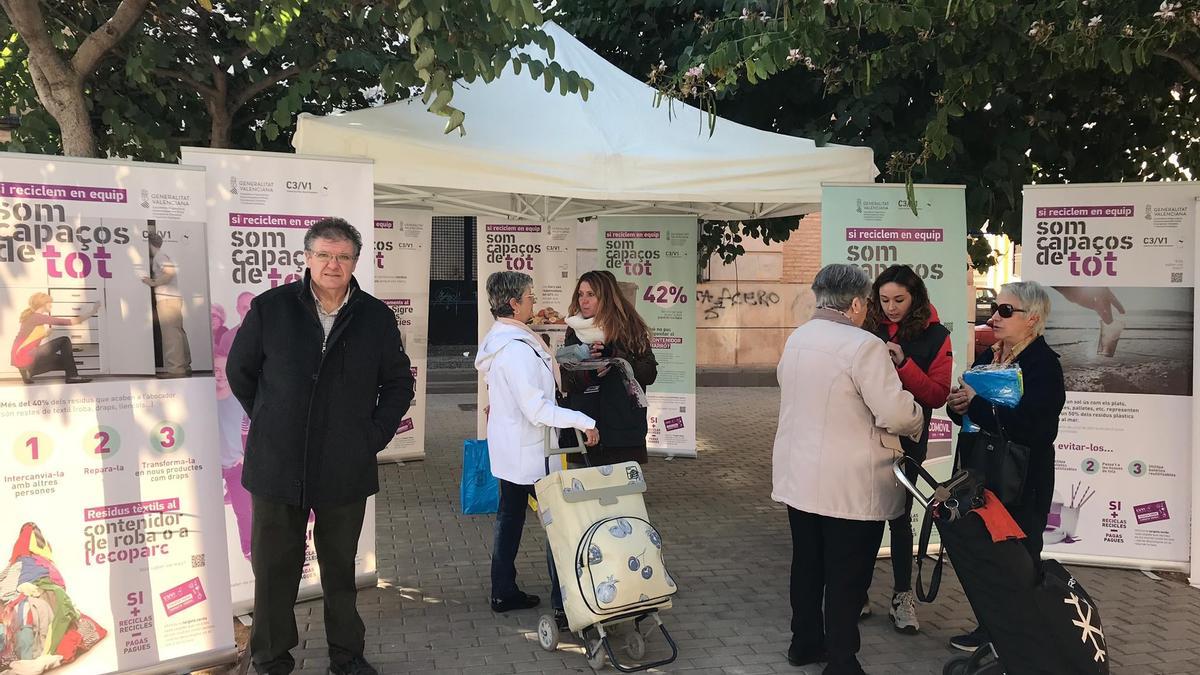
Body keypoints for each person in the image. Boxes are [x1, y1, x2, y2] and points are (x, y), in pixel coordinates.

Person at [227, 218, 415, 675]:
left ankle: (347, 656)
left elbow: (397, 383)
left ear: (355, 262)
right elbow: (240, 371)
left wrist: (371, 437)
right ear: (307, 258)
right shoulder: (273, 308)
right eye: (325, 255)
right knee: (274, 573)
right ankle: (270, 659)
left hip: (344, 466)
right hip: (277, 464)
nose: (334, 264)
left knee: (339, 572)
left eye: (344, 256)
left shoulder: (374, 316)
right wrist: (273, 418)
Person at [773, 264, 924, 675]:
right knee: (847, 573)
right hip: (851, 482)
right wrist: (916, 416)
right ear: (857, 303)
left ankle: (804, 643)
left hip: (800, 476)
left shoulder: (798, 339)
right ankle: (841, 661)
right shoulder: (864, 346)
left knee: (808, 564)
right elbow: (894, 412)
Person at [475, 271, 599, 629]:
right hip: (532, 453)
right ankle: (565, 606)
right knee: (559, 527)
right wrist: (583, 420)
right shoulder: (515, 349)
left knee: (510, 518)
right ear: (513, 303)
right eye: (529, 296)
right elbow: (537, 408)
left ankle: (503, 591)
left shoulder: (504, 341)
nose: (534, 300)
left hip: (515, 450)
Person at [946, 280, 1065, 653]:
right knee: (987, 554)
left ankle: (1025, 636)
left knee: (1020, 556)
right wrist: (958, 405)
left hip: (1023, 478)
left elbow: (1038, 428)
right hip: (984, 471)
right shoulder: (990, 357)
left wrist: (978, 405)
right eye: (995, 309)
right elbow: (968, 412)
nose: (995, 316)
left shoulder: (1042, 364)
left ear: (1032, 319)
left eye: (1005, 311)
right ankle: (992, 630)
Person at [861, 265, 952, 634]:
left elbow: (937, 394)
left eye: (899, 300)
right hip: (864, 435)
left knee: (898, 518)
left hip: (909, 441)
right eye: (883, 300)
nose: (891, 307)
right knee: (863, 515)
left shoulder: (936, 335)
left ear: (915, 297)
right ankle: (858, 592)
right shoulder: (868, 327)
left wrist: (904, 364)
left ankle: (902, 597)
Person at [560, 270, 658, 465]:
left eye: (591, 295)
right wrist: (591, 373)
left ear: (606, 297)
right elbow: (566, 380)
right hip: (586, 429)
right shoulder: (575, 328)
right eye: (580, 294)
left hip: (623, 430)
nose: (583, 301)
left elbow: (649, 374)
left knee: (623, 493)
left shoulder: (630, 329)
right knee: (586, 492)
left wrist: (616, 355)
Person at [10, 292, 97, 384]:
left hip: (21, 357)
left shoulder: (30, 317)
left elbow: (25, 338)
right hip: (25, 356)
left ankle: (29, 373)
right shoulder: (38, 317)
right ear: (43, 304)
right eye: (49, 302)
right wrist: (92, 312)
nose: (51, 305)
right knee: (64, 340)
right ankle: (72, 376)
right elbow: (69, 322)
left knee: (66, 362)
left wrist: (45, 335)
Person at [141, 232, 191, 377]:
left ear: (150, 244)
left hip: (167, 299)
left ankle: (176, 370)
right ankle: (185, 366)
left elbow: (169, 272)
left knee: (171, 335)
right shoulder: (164, 255)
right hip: (173, 298)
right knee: (178, 333)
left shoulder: (159, 256)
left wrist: (153, 282)